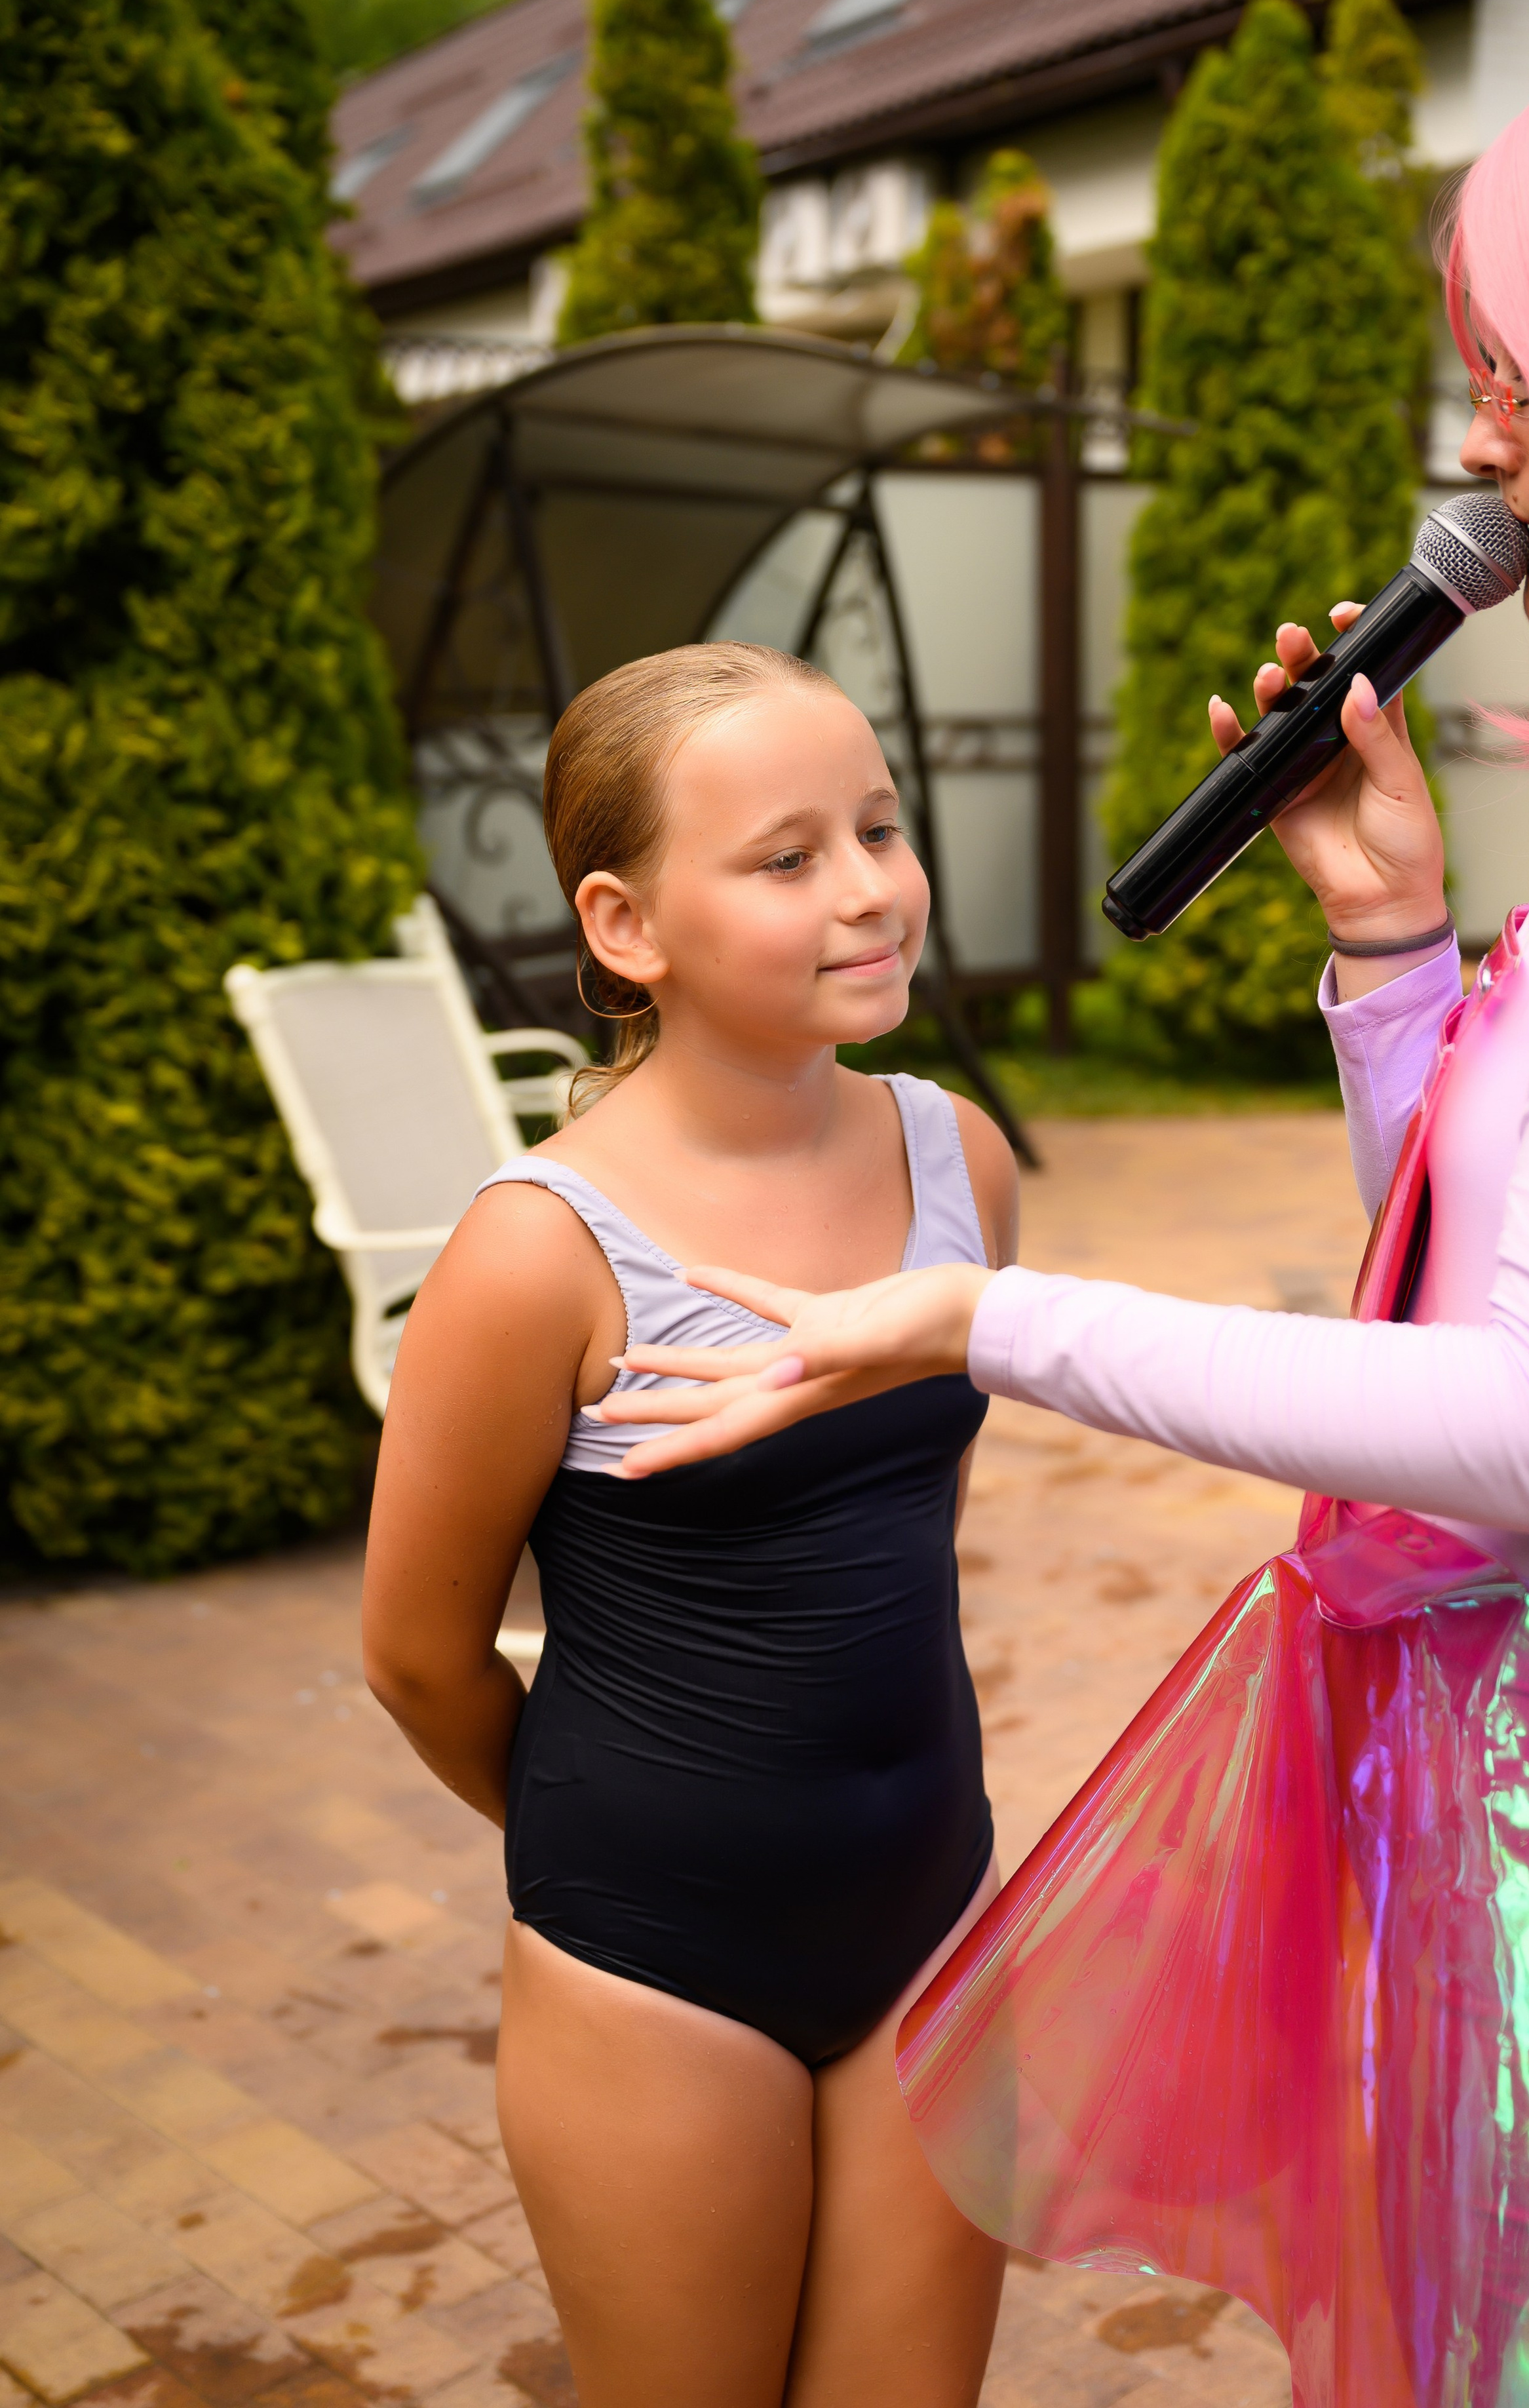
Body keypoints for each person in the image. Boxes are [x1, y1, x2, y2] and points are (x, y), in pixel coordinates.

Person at [588, 3, 1529, 2400]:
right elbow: (1460, 1316)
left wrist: (980, 1319)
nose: (1482, 446)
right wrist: (1395, 953)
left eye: (1516, 377)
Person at [360, 642, 1018, 2408]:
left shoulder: (959, 1162)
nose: (869, 888)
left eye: (880, 827)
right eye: (788, 856)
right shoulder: (536, 1252)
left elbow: (912, 1519)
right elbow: (417, 1655)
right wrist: (639, 1840)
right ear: (625, 923)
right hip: (653, 1965)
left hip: (934, 1911)